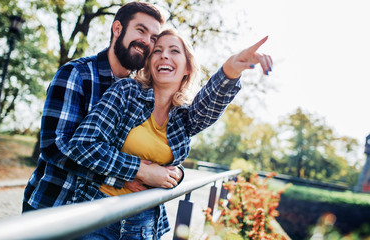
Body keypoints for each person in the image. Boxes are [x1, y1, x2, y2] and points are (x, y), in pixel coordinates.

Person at [67, 29, 273, 239]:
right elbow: (82, 145)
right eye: (157, 51)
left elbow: (210, 102)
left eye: (174, 51)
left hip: (144, 225)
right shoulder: (125, 92)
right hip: (97, 212)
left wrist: (231, 68)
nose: (164, 55)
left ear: (187, 67)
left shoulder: (184, 117)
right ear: (149, 64)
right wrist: (141, 171)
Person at [22, 2, 184, 213]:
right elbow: (55, 147)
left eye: (153, 38)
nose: (146, 42)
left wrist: (176, 173)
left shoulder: (142, 93)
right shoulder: (76, 74)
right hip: (54, 205)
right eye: (140, 30)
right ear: (117, 29)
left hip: (101, 219)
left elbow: (153, 148)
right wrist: (123, 177)